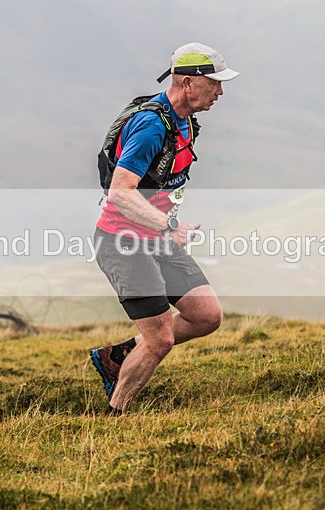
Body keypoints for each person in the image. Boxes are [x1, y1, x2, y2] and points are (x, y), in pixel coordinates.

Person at [89, 42, 239, 414]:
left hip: (156, 238)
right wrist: (169, 224)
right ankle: (115, 413)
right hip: (123, 242)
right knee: (160, 340)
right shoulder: (151, 125)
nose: (220, 91)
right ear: (188, 83)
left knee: (206, 316)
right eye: (214, 83)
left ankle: (119, 355)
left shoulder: (185, 119)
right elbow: (118, 192)